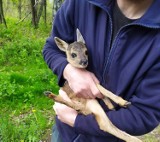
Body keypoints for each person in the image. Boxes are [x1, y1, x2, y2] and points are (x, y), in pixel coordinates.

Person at [43, 0, 160, 141]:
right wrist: (69, 70)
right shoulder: (80, 3)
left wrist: (76, 121)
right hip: (65, 134)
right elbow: (52, 48)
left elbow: (143, 114)